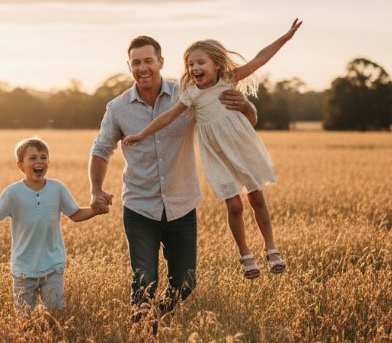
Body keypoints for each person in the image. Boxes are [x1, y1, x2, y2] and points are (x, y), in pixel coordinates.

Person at [89, 35, 258, 323]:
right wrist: (96, 189)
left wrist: (246, 106)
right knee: (144, 281)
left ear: (161, 62)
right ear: (129, 65)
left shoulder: (188, 95)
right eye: (136, 62)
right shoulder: (117, 108)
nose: (143, 68)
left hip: (182, 205)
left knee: (186, 282)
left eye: (148, 61)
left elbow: (241, 123)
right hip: (140, 207)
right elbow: (101, 150)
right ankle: (143, 334)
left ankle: (158, 318)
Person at [123, 19, 301, 279]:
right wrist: (141, 134)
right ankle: (245, 256)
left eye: (200, 62)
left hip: (240, 147)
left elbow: (259, 59)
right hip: (216, 155)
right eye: (191, 63)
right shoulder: (192, 94)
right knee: (234, 206)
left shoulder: (229, 80)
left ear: (216, 64)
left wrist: (284, 38)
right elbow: (167, 117)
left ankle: (272, 249)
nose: (194, 67)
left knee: (257, 198)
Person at [0, 137, 100, 316]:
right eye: (33, 158)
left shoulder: (57, 188)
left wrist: (95, 210)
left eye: (43, 158)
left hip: (53, 266)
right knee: (24, 320)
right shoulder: (12, 193)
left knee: (56, 316)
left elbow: (74, 214)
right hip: (23, 269)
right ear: (20, 165)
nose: (39, 162)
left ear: (48, 162)